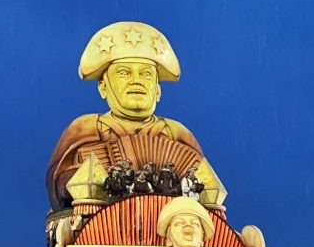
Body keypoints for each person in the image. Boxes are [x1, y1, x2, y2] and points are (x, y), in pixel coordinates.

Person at [46, 22, 204, 211]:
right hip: (102, 227)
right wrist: (84, 180)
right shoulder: (85, 128)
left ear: (158, 91)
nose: (136, 80)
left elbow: (207, 191)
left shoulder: (177, 133)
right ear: (103, 87)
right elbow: (57, 185)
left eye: (146, 74)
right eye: (124, 73)